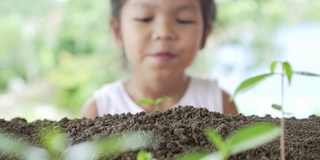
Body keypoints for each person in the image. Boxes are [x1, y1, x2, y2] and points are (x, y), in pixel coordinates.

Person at [81, 0, 238, 118]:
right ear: (117, 31)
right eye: (145, 18)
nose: (163, 32)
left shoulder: (220, 103)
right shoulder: (99, 110)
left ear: (205, 34)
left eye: (184, 20)